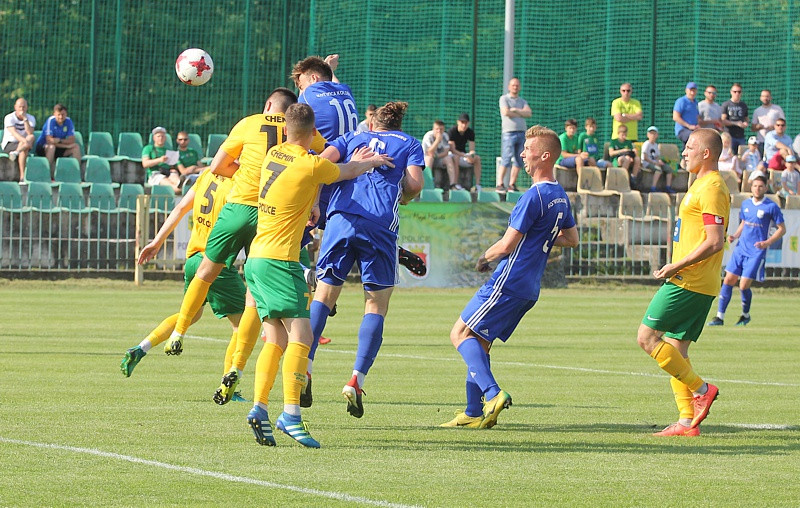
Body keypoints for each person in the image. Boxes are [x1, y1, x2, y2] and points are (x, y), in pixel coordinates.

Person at [244, 103, 393, 448]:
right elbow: (345, 171)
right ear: (312, 134)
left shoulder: (275, 155)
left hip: (255, 259)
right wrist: (372, 161)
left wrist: (311, 200)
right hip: (281, 261)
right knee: (302, 336)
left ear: (284, 132)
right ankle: (291, 415)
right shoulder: (310, 164)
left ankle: (259, 406)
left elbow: (307, 179)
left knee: (275, 339)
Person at [163, 88, 322, 385]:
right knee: (253, 296)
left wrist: (246, 172)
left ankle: (179, 332)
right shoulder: (295, 130)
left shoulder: (249, 123)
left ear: (267, 105)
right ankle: (238, 365)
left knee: (207, 271)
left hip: (237, 209)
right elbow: (320, 158)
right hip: (269, 215)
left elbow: (218, 166)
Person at [440, 125, 578, 429]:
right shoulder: (559, 196)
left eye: (528, 150)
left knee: (459, 334)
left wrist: (482, 258)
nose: (522, 155)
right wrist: (540, 237)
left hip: (509, 280)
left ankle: (492, 393)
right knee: (480, 343)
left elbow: (505, 245)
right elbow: (571, 239)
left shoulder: (534, 197)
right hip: (529, 287)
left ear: (544, 156)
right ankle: (473, 411)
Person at [307, 102, 424, 419]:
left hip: (341, 219)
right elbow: (415, 184)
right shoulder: (410, 144)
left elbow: (318, 165)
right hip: (380, 224)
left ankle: (305, 367)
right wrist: (403, 193)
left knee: (325, 294)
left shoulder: (350, 139)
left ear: (373, 124)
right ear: (398, 124)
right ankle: (356, 380)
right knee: (375, 305)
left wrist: (317, 200)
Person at [120, 170, 245, 397]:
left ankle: (141, 348)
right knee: (242, 325)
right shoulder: (239, 184)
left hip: (193, 259)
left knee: (191, 315)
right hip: (216, 263)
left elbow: (179, 209)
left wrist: (157, 241)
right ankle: (230, 386)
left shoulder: (207, 174)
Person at [638, 128, 728, 437]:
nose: (684, 152)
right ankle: (687, 422)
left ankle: (702, 389)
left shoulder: (713, 187)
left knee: (647, 338)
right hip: (693, 280)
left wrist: (677, 264)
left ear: (706, 153)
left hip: (689, 281)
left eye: (689, 147)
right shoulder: (700, 184)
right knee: (676, 349)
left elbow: (715, 241)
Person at [708, 175, 785, 327]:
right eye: (755, 186)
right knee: (728, 280)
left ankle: (745, 315)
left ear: (765, 188)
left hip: (756, 251)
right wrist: (735, 236)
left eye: (761, 186)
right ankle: (719, 317)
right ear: (751, 187)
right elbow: (744, 223)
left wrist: (767, 242)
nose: (757, 188)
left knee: (743, 285)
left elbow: (782, 229)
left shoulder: (771, 207)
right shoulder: (746, 204)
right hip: (741, 248)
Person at [497, 77, 531, 192]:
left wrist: (515, 110)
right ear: (509, 87)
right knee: (506, 158)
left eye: (517, 85)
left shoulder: (522, 101)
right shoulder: (504, 98)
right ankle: (500, 184)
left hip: (521, 133)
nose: (515, 87)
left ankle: (512, 184)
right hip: (508, 133)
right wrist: (521, 113)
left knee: (519, 160)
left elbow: (529, 113)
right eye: (513, 85)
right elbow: (506, 112)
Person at [34, 103, 81, 176]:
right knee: (51, 147)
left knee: (76, 147)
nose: (61, 117)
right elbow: (49, 140)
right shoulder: (50, 121)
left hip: (59, 146)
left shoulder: (69, 121)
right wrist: (66, 145)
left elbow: (72, 140)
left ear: (66, 114)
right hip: (44, 147)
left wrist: (59, 140)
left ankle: (77, 174)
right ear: (54, 114)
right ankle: (46, 174)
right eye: (59, 114)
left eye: (63, 114)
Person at [2, 98, 36, 182]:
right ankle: (22, 177)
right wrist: (26, 142)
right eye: (20, 107)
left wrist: (25, 119)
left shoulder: (30, 118)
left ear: (27, 107)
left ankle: (16, 152)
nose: (22, 109)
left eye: (24, 107)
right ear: (15, 107)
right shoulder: (9, 117)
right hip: (10, 143)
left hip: (23, 144)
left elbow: (29, 132)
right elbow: (14, 133)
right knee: (25, 148)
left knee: (31, 137)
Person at [448, 113, 483, 192]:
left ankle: (477, 185)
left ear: (468, 123)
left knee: (477, 158)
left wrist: (471, 155)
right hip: (453, 155)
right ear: (458, 122)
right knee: (456, 158)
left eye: (466, 123)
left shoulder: (470, 132)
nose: (464, 125)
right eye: (462, 122)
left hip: (463, 156)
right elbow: (452, 150)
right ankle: (455, 184)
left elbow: (472, 149)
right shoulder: (452, 131)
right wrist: (464, 155)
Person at [422, 120, 460, 190]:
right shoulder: (428, 136)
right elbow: (429, 152)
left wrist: (436, 156)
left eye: (441, 129)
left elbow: (446, 152)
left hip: (438, 158)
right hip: (427, 159)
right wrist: (437, 140)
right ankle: (427, 184)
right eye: (437, 129)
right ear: (433, 129)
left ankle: (452, 184)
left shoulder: (445, 136)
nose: (439, 131)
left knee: (448, 158)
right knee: (429, 158)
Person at [142, 126, 180, 193]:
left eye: (162, 136)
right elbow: (145, 164)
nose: (161, 138)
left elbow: (172, 165)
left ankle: (180, 188)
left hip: (168, 172)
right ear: (154, 138)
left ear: (165, 138)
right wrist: (159, 160)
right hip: (155, 174)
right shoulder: (148, 148)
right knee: (173, 187)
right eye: (158, 136)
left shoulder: (168, 150)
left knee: (177, 181)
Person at [640, 126, 674, 193]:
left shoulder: (655, 145)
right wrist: (655, 163)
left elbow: (657, 157)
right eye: (651, 133)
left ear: (657, 135)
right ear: (648, 135)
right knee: (658, 170)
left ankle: (668, 187)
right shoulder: (646, 144)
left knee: (669, 169)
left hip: (655, 162)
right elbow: (645, 157)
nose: (652, 135)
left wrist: (659, 161)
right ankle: (653, 187)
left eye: (654, 134)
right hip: (647, 163)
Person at [751, 89, 785, 154]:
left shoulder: (777, 109)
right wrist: (758, 127)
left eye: (767, 96)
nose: (765, 98)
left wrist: (774, 127)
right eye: (763, 96)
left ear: (770, 97)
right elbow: (753, 128)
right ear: (760, 98)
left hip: (775, 140)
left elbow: (783, 123)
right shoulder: (757, 111)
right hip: (761, 141)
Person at [720, 83, 749, 155]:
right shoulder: (726, 104)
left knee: (742, 155)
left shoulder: (743, 105)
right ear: (731, 92)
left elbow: (746, 118)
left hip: (741, 135)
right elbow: (723, 121)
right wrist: (736, 123)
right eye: (735, 91)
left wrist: (745, 123)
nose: (737, 94)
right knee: (729, 155)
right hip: (729, 135)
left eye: (739, 92)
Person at [673, 82, 699, 149]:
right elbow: (675, 117)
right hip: (682, 130)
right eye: (691, 90)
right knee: (693, 138)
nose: (692, 93)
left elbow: (697, 117)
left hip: (693, 130)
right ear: (686, 90)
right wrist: (689, 126)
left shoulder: (696, 103)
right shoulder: (681, 101)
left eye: (694, 90)